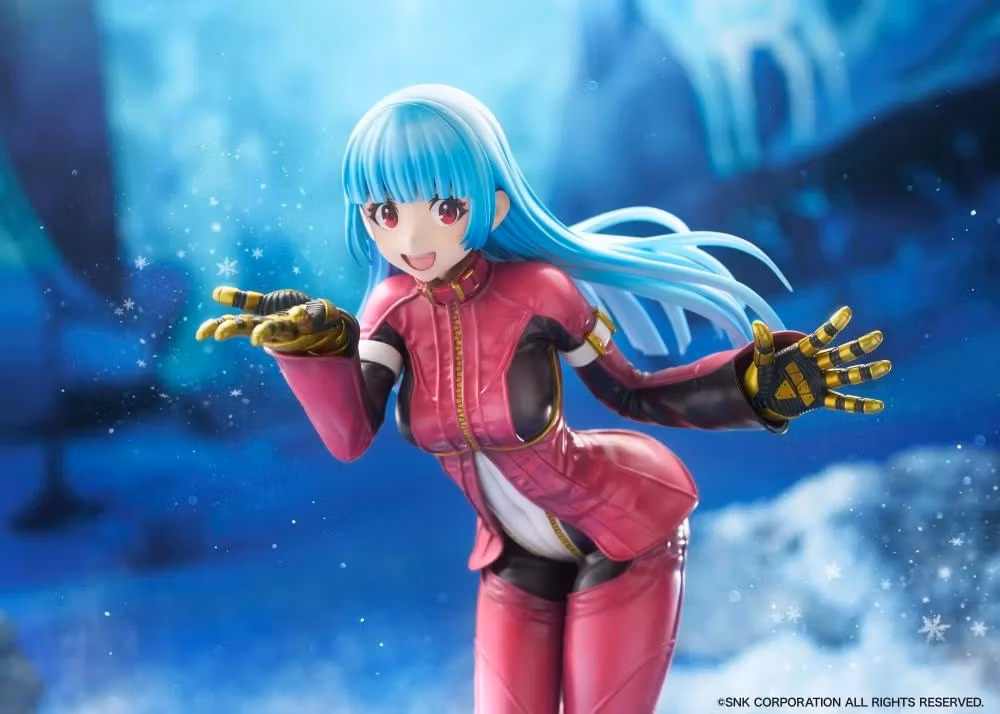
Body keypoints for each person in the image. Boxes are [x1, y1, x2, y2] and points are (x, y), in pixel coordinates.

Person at [196, 84, 891, 714]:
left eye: (443, 208)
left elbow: (632, 393)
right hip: (513, 560)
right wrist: (315, 350)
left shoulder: (540, 292)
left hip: (622, 533)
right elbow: (350, 436)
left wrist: (750, 387)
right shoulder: (390, 311)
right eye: (384, 211)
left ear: (492, 205)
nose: (411, 238)